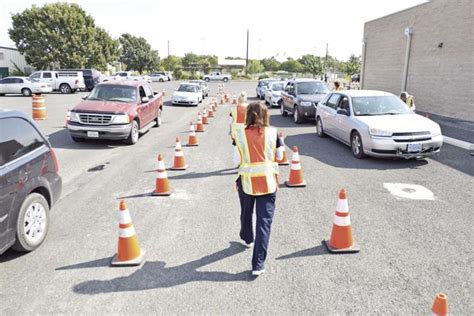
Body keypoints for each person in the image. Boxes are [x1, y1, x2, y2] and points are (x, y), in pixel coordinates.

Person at [231, 102, 283, 276]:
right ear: (266, 115)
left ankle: (247, 238)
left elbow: (235, 160)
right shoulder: (274, 133)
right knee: (264, 223)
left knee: (246, 213)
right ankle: (258, 264)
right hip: (268, 184)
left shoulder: (239, 134)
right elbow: (281, 156)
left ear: (248, 115)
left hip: (246, 183)